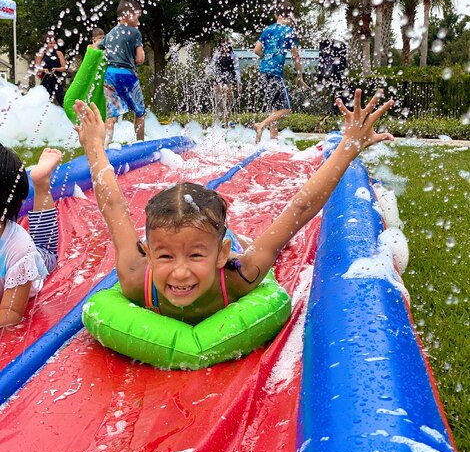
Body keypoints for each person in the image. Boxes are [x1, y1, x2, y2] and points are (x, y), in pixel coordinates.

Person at [72, 88, 394, 326]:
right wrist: (94, 146)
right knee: (195, 236)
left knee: (260, 244)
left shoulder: (240, 277)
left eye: (195, 256)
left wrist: (347, 148)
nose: (180, 271)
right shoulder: (133, 276)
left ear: (221, 255)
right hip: (211, 238)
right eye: (165, 255)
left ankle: (217, 241)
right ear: (148, 252)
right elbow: (113, 206)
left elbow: (299, 208)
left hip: (229, 244)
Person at [0, 146, 62, 327]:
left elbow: (11, 313)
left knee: (45, 250)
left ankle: (41, 183)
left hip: (33, 260)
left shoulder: (20, 251)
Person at [253, 0, 308, 144]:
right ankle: (261, 125)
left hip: (263, 72)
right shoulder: (288, 32)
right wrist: (300, 76)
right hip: (275, 74)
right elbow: (296, 56)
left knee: (275, 109)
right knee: (286, 109)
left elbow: (256, 50)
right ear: (290, 15)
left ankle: (273, 139)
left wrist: (267, 58)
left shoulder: (268, 29)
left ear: (276, 15)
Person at [99, 0, 146, 146]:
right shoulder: (134, 33)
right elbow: (140, 58)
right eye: (137, 16)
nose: (138, 21)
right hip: (127, 76)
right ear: (128, 15)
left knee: (111, 115)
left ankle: (105, 146)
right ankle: (141, 144)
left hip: (110, 75)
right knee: (140, 113)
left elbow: (96, 49)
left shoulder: (110, 34)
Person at [211, 38, 241, 128]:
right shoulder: (217, 54)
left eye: (226, 44)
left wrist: (239, 83)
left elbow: (237, 69)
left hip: (230, 79)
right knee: (219, 101)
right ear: (220, 45)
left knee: (228, 102)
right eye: (222, 44)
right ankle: (217, 123)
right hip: (219, 78)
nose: (224, 46)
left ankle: (227, 123)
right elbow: (212, 66)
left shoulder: (233, 55)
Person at [34, 32, 67, 106]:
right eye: (50, 43)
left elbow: (64, 68)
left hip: (57, 77)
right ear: (46, 44)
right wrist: (43, 70)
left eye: (54, 43)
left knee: (60, 97)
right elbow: (37, 67)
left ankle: (65, 112)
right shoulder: (41, 53)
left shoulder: (59, 53)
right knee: (46, 97)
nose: (52, 45)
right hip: (46, 78)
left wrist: (56, 69)